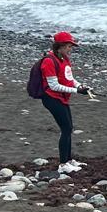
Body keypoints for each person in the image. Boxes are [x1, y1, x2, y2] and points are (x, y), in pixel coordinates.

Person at [39, 32, 91, 173]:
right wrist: (76, 91)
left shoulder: (64, 58)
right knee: (66, 129)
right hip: (51, 98)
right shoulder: (49, 61)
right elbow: (53, 86)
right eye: (68, 46)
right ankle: (63, 164)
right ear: (60, 46)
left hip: (62, 98)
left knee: (69, 128)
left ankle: (69, 160)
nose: (70, 49)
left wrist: (80, 86)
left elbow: (70, 78)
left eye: (71, 46)